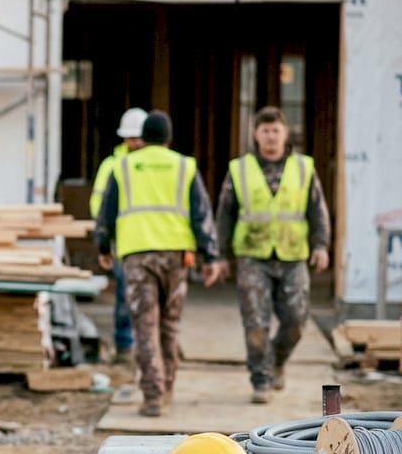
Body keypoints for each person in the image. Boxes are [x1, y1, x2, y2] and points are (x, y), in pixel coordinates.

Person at [94, 110, 225, 417]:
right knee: (170, 325)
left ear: (143, 135)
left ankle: (152, 397)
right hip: (176, 257)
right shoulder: (184, 166)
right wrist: (211, 256)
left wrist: (103, 245)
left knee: (145, 326)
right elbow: (201, 214)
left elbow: (106, 211)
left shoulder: (123, 166)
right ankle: (167, 387)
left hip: (137, 256)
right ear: (168, 138)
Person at [216, 106, 331, 405]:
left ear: (285, 133)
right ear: (255, 134)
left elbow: (317, 209)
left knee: (296, 320)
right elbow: (225, 214)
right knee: (255, 323)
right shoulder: (239, 169)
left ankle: (277, 361)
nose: (270, 136)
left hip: (293, 255)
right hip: (253, 256)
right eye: (265, 131)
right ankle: (261, 379)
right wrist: (219, 256)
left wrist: (321, 245)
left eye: (275, 130)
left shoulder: (303, 168)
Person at [90, 107, 147, 364]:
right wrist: (106, 239)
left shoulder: (154, 164)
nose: (135, 142)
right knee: (125, 294)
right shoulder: (113, 165)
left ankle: (150, 343)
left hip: (153, 240)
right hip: (124, 242)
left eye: (138, 137)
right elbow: (99, 204)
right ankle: (125, 345)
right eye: (130, 137)